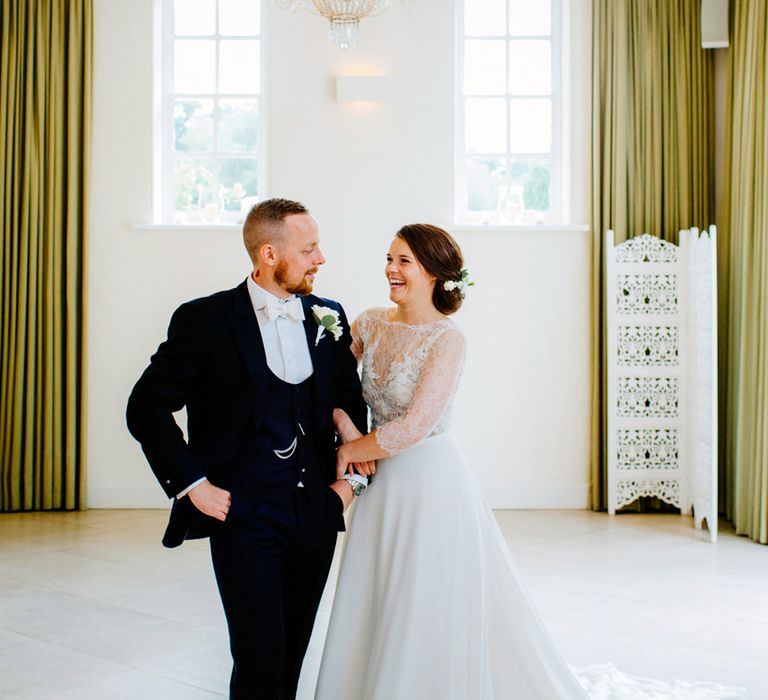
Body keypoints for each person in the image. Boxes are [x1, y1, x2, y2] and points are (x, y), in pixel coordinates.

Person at [315, 224, 743, 699]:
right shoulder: (369, 322)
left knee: (424, 597)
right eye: (389, 259)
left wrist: (353, 450)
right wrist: (347, 428)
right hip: (380, 484)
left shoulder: (447, 340)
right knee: (378, 592)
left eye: (404, 262)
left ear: (435, 274)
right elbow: (332, 384)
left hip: (429, 482)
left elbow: (417, 426)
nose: (391, 270)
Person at [126, 198, 371, 700]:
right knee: (259, 657)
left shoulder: (330, 316)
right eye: (309, 249)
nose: (321, 258)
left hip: (316, 511)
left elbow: (350, 405)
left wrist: (347, 488)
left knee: (293, 652)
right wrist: (194, 486)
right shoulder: (204, 320)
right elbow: (145, 408)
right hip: (244, 515)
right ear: (269, 254)